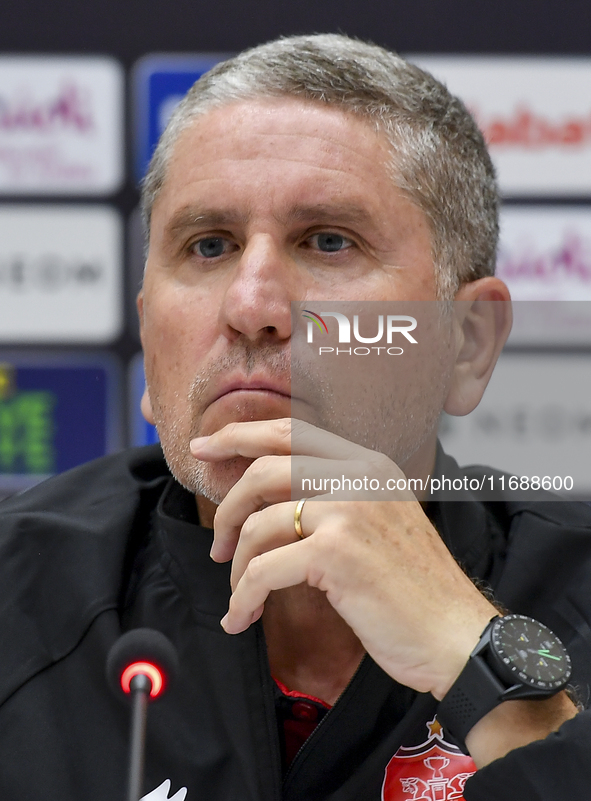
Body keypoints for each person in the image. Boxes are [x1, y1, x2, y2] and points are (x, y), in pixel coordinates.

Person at [0, 33, 590, 801]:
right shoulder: (17, 598)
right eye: (208, 245)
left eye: (328, 241)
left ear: (467, 344)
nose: (251, 307)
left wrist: (473, 651)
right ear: (150, 339)